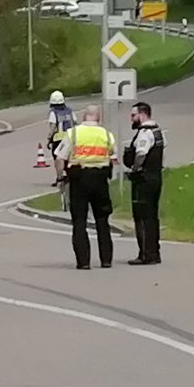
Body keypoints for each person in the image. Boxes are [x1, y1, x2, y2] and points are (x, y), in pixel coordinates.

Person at [59, 105, 117, 270]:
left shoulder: (74, 133)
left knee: (79, 221)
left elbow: (60, 158)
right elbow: (113, 156)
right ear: (98, 118)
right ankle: (106, 260)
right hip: (100, 180)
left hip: (79, 179)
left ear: (84, 116)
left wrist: (60, 177)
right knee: (102, 220)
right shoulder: (106, 134)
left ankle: (83, 262)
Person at [123, 101, 167, 265]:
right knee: (152, 217)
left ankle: (146, 254)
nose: (132, 119)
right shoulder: (157, 131)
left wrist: (135, 168)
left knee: (142, 217)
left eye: (133, 115)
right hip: (155, 177)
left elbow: (141, 153)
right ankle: (154, 252)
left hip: (144, 180)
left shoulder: (145, 133)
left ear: (142, 115)